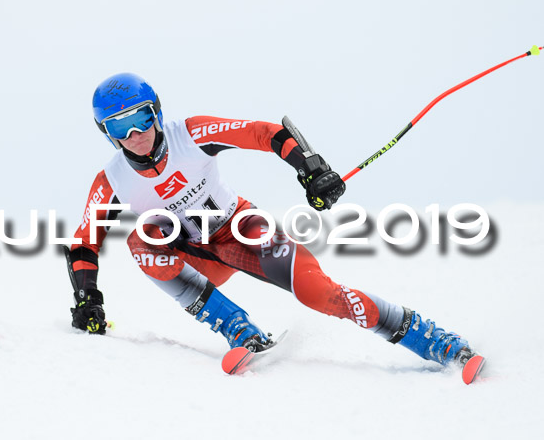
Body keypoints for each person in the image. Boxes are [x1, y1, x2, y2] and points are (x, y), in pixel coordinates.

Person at [65, 72, 479, 370]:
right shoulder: (112, 180)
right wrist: (89, 299)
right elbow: (85, 242)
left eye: (141, 117)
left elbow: (265, 133)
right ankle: (238, 329)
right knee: (143, 239)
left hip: (241, 233)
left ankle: (431, 339)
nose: (136, 133)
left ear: (156, 112)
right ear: (107, 133)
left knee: (320, 293)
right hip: (194, 255)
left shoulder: (189, 134)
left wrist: (311, 169)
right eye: (120, 126)